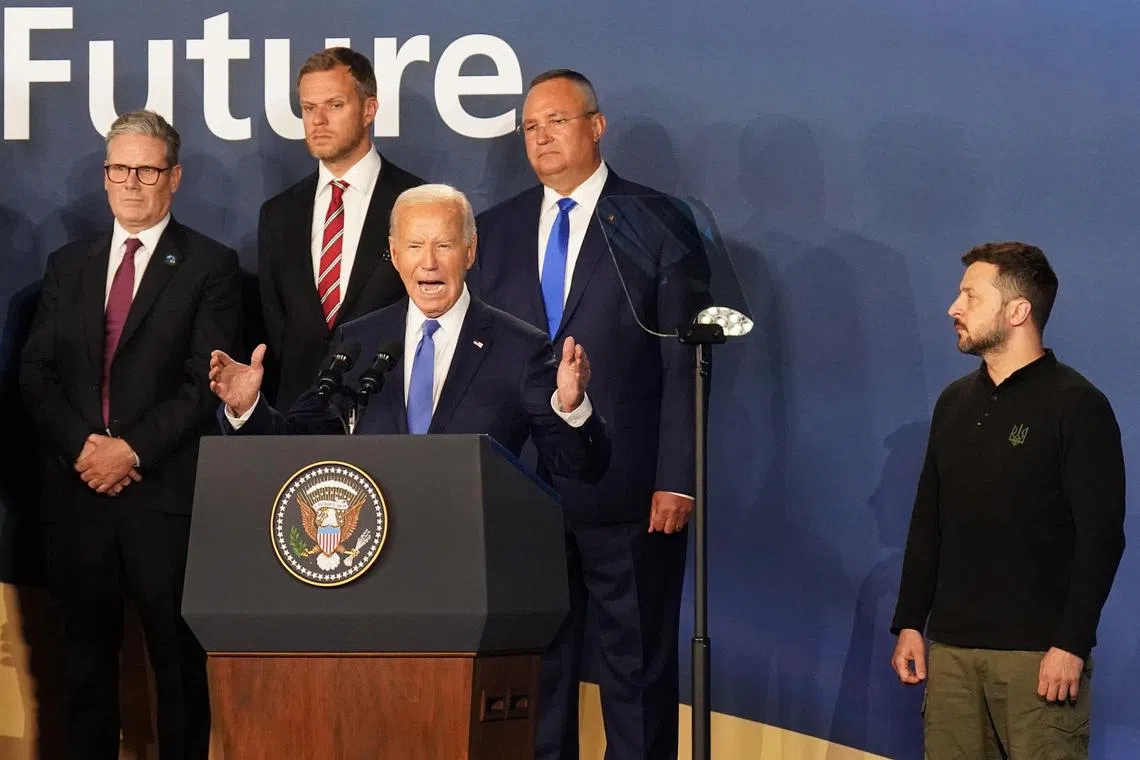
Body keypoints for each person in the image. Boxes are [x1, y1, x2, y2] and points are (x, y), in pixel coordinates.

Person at [472, 69, 702, 760]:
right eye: (530, 127)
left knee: (634, 672)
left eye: (557, 121)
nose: (540, 137)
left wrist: (678, 475)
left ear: (596, 127)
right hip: (523, 492)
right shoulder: (496, 229)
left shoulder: (657, 220)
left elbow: (682, 361)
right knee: (538, 674)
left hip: (630, 490)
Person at [19, 109, 243, 760]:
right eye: (121, 169)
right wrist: (84, 449)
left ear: (174, 177)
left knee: (177, 674)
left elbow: (204, 380)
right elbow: (36, 372)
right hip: (78, 500)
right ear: (105, 175)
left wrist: (131, 450)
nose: (133, 183)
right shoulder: (68, 266)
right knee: (83, 675)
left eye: (147, 170)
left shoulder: (210, 265)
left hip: (162, 501)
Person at [890, 242, 1126, 759]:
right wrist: (911, 620)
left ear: (1018, 311)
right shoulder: (953, 402)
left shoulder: (1077, 404)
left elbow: (1101, 536)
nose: (954, 308)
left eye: (970, 297)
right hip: (951, 653)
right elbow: (929, 518)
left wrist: (1071, 643)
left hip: (1038, 658)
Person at [211, 184, 609, 483]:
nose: (429, 263)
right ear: (395, 254)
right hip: (374, 561)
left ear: (470, 252)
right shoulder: (359, 342)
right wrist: (248, 409)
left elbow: (581, 467)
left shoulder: (519, 347)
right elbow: (298, 444)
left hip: (474, 560)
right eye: (415, 246)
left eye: (445, 246)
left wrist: (572, 407)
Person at [258, 47, 424, 409]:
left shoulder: (417, 203)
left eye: (334, 105)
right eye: (307, 108)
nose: (317, 120)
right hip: (299, 420)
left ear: (369, 110)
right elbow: (276, 330)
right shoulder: (278, 215)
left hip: (391, 415)